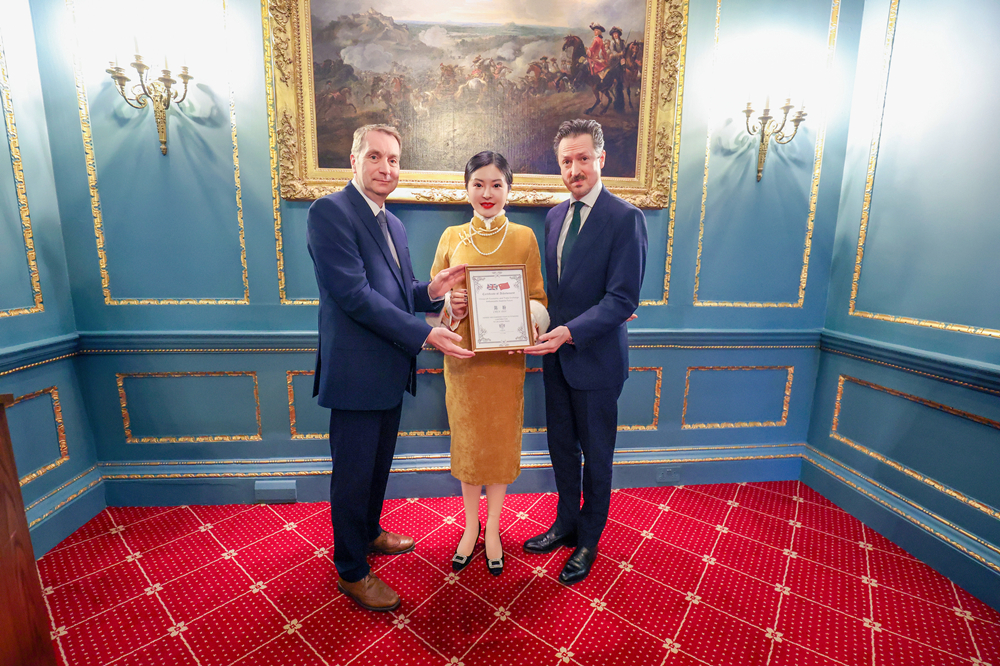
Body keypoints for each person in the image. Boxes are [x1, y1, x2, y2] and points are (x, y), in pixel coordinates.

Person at [307, 124, 473, 612]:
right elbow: (354, 295)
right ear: (353, 161)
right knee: (353, 475)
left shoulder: (393, 224)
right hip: (355, 373)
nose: (386, 168)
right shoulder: (329, 212)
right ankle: (351, 570)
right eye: (375, 157)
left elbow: (399, 292)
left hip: (389, 370)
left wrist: (432, 290)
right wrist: (424, 333)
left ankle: (369, 533)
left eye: (394, 159)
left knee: (377, 466)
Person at [523, 119, 648, 585]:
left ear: (601, 159)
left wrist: (570, 332)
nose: (574, 169)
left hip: (596, 361)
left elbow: (623, 299)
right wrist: (535, 323)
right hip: (556, 359)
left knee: (596, 456)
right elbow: (556, 293)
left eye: (582, 158)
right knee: (560, 448)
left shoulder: (625, 218)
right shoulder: (555, 217)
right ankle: (565, 523)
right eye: (566, 161)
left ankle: (589, 538)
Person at [430, 151, 548, 577]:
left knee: (498, 446)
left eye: (496, 184)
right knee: (468, 445)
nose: (487, 192)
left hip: (505, 363)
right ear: (466, 188)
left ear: (508, 189)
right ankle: (470, 526)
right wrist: (452, 305)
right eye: (478, 183)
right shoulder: (451, 236)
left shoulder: (524, 237)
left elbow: (538, 299)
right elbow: (431, 301)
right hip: (464, 361)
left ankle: (494, 527)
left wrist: (527, 325)